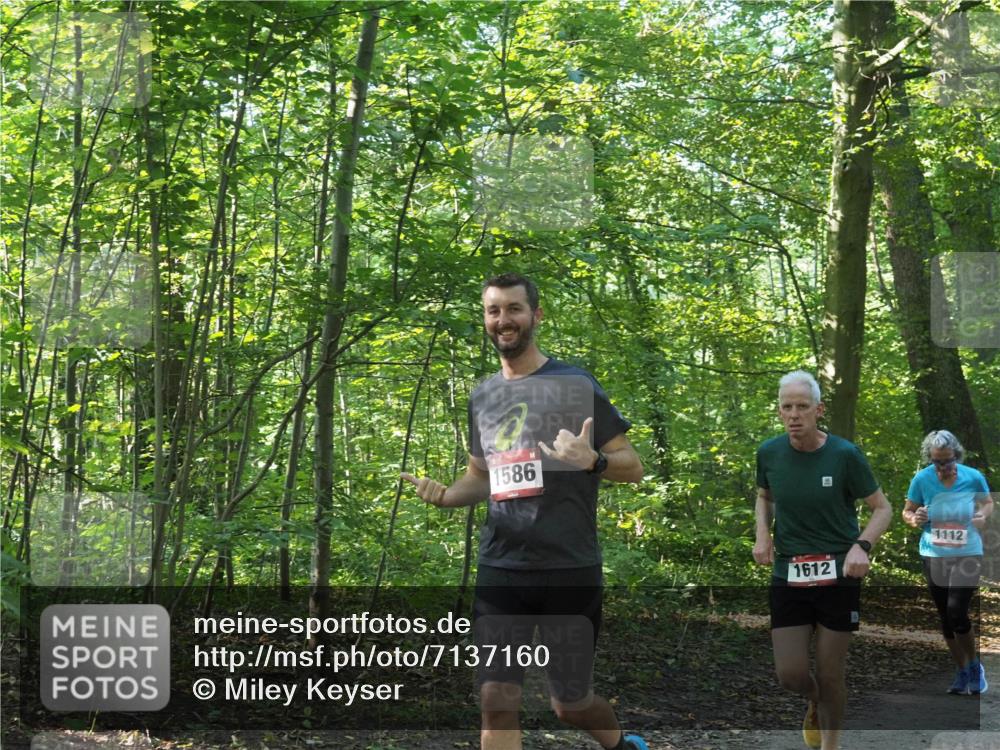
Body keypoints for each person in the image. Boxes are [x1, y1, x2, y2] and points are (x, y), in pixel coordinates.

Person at [402, 272, 647, 750]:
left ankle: (622, 746)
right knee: (496, 697)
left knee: (569, 703)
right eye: (493, 310)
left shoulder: (573, 384)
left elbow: (632, 466)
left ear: (536, 315)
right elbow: (481, 475)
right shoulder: (483, 395)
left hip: (568, 566)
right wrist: (445, 495)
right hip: (502, 566)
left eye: (513, 308)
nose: (503, 319)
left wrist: (593, 461)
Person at [753, 371, 892, 750]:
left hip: (838, 573)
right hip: (789, 572)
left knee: (831, 674)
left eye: (802, 406)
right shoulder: (769, 452)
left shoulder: (845, 455)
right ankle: (816, 702)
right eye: (786, 407)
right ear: (779, 411)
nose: (794, 414)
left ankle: (831, 745)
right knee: (791, 675)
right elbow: (764, 496)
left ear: (819, 410)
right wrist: (763, 534)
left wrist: (862, 546)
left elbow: (882, 508)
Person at [902, 429, 993, 695]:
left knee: (957, 611)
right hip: (934, 553)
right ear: (930, 459)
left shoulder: (972, 476)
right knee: (945, 616)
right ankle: (961, 669)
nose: (942, 467)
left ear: (957, 456)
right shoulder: (922, 479)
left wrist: (982, 515)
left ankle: (974, 666)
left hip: (967, 552)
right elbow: (907, 511)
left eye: (948, 461)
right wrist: (914, 518)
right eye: (937, 462)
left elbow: (987, 502)